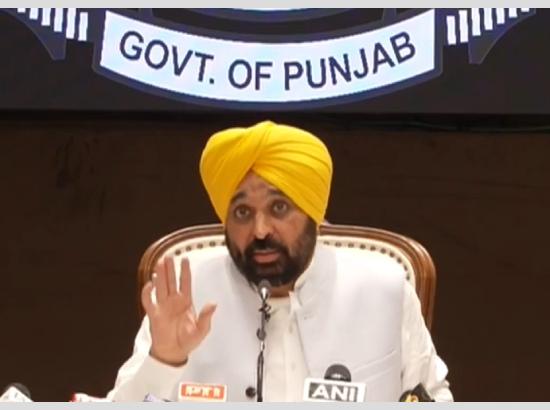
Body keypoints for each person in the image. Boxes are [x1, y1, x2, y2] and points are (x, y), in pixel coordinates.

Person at [108, 121, 453, 402]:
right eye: (242, 212)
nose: (260, 230)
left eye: (279, 208)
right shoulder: (187, 294)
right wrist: (164, 360)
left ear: (314, 214)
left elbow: (435, 397)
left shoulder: (384, 290)